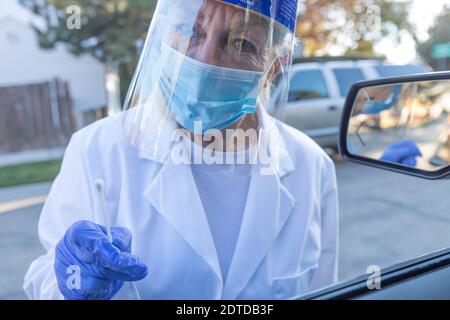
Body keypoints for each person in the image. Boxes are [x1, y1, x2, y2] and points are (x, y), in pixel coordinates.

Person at [24, 0, 339, 300]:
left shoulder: (312, 166)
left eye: (242, 44)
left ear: (274, 65)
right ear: (163, 33)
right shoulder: (97, 151)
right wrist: (70, 283)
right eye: (192, 30)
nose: (205, 59)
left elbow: (324, 289)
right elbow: (45, 279)